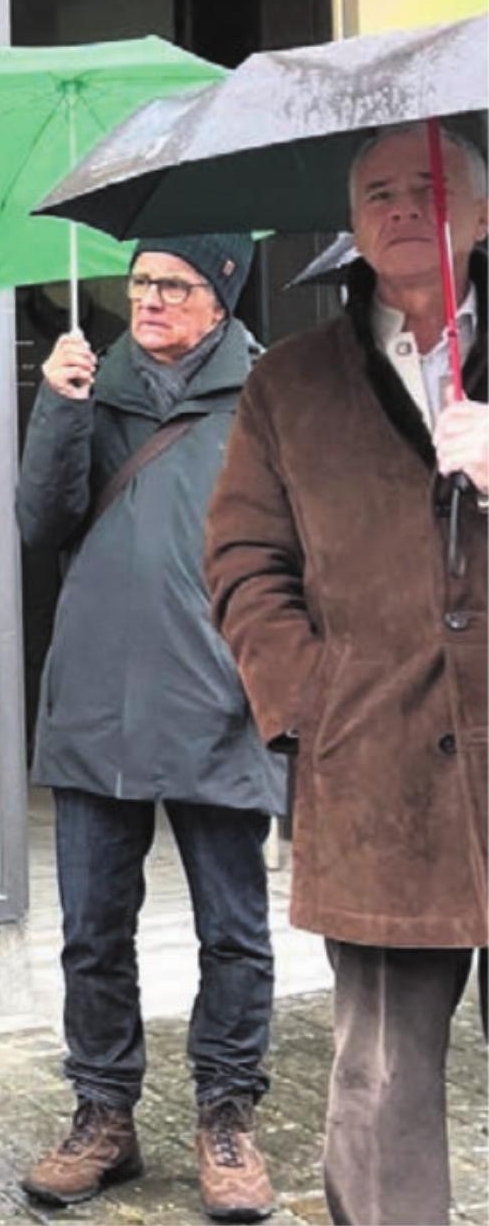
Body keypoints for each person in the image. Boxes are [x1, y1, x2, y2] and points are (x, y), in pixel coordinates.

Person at [205, 123, 488, 1226]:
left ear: (480, 209)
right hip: (373, 770)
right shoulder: (293, 380)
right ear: (351, 222)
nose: (402, 207)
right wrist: (308, 703)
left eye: (427, 184)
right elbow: (240, 557)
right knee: (380, 1076)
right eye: (377, 192)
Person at [16, 232, 282, 1222]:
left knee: (235, 930)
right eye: (142, 283)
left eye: (176, 285)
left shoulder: (268, 395)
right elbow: (42, 520)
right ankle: (104, 1114)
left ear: (219, 296)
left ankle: (228, 1115)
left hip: (223, 698)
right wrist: (60, 404)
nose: (154, 300)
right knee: (91, 929)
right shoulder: (95, 380)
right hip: (95, 695)